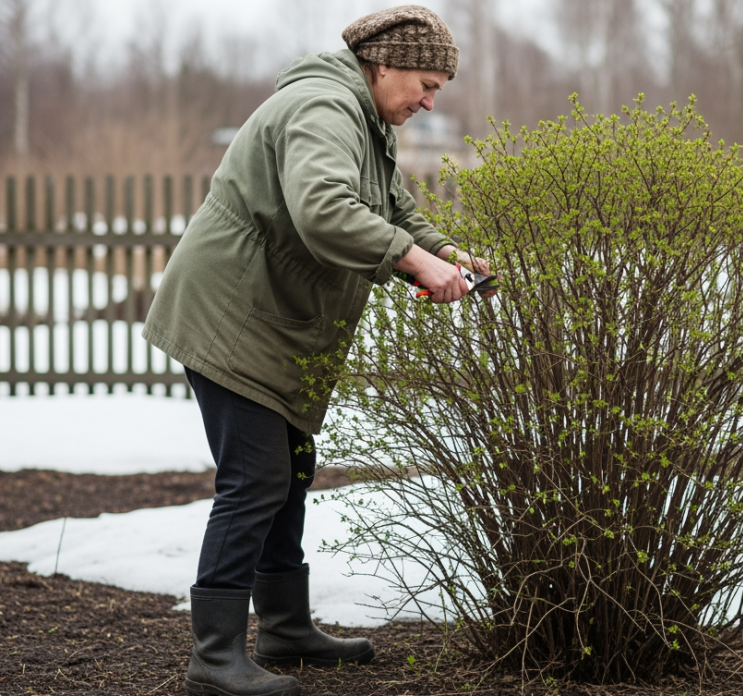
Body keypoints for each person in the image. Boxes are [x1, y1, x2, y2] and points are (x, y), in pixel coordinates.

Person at [142, 6, 491, 696]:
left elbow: (392, 209)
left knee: (290, 470)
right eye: (425, 84)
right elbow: (323, 206)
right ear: (383, 64)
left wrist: (446, 252)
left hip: (272, 322)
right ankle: (213, 657)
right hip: (232, 319)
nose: (428, 101)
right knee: (256, 480)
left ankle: (284, 627)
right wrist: (413, 263)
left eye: (438, 91)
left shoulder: (367, 121)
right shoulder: (324, 107)